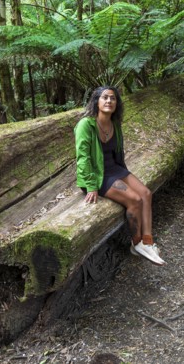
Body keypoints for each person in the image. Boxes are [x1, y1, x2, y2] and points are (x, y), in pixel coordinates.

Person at [74, 86, 165, 266]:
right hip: (96, 175)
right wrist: (91, 186)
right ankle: (137, 243)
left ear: (117, 103)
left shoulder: (115, 124)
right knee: (134, 200)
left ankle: (148, 242)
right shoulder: (86, 124)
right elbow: (82, 157)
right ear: (96, 102)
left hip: (114, 169)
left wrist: (125, 175)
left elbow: (118, 153)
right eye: (105, 98)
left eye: (113, 98)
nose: (109, 101)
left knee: (146, 194)